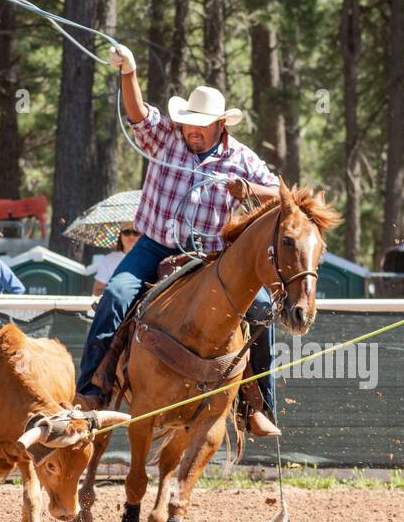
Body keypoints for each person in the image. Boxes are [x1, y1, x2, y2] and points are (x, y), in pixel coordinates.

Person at [77, 42, 283, 438]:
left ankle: (256, 406)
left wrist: (248, 187)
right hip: (153, 244)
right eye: (189, 122)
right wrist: (129, 73)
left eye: (201, 124)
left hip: (208, 257)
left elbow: (280, 191)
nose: (192, 130)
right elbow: (138, 115)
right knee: (116, 295)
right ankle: (92, 389)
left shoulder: (240, 158)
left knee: (259, 310)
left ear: (220, 125)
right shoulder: (166, 137)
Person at [91, 225, 140, 296]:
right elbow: (97, 290)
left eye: (135, 233)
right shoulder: (109, 259)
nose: (131, 236)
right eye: (127, 232)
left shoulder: (149, 259)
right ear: (121, 236)